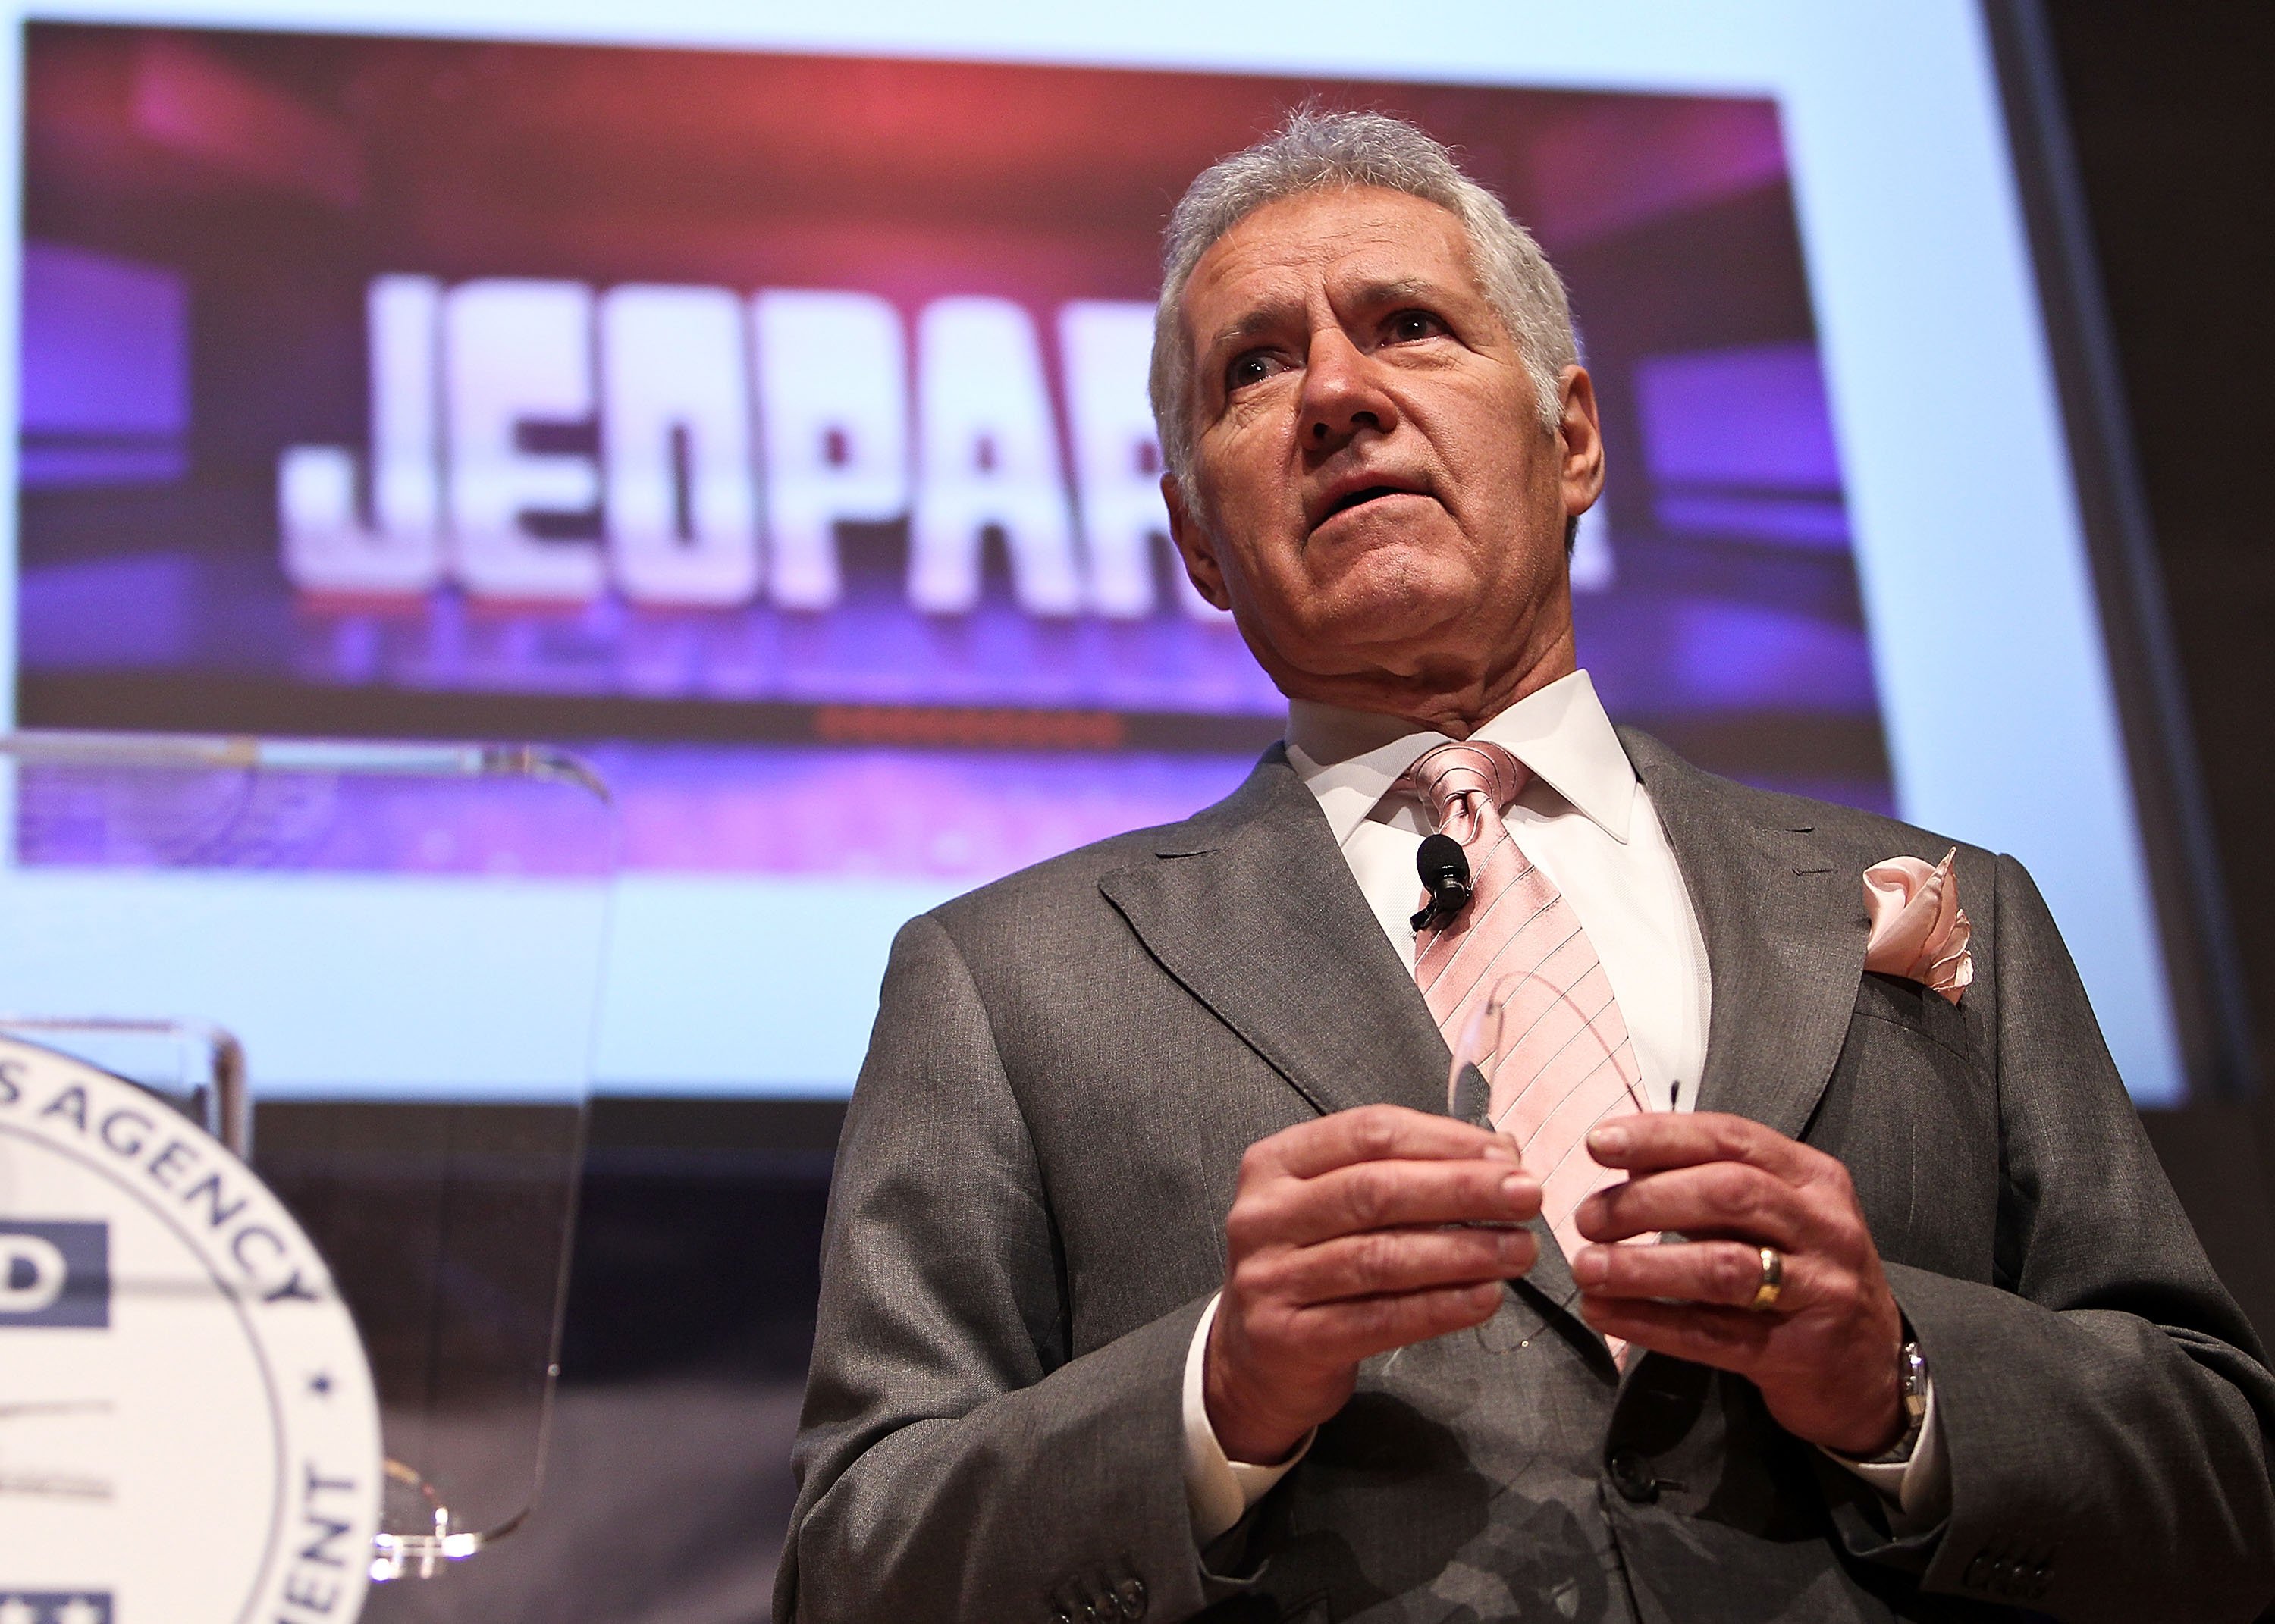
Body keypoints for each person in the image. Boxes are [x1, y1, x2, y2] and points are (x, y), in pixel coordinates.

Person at [774, 110, 2275, 1624]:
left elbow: (2229, 1490)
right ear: (1198, 545)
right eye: (1256, 366)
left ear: (1572, 438)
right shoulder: (1009, 981)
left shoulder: (1952, 909)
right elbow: (854, 1569)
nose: (1340, 396)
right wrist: (1212, 1397)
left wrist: (1896, 1379)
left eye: (1409, 328)